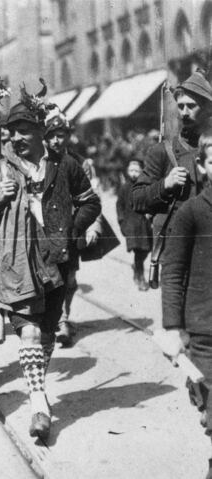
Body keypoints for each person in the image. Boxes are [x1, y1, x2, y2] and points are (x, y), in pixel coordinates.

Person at [0, 82, 101, 441]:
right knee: (27, 331)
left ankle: (37, 389)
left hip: (55, 262)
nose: (16, 138)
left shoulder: (65, 167)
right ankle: (39, 404)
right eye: (11, 132)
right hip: (16, 263)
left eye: (24, 130)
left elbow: (92, 203)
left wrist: (70, 232)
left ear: (42, 132)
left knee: (44, 335)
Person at [161, 130, 212, 479]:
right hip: (205, 331)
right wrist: (173, 329)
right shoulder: (191, 213)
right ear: (205, 166)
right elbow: (173, 273)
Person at [43, 112, 104, 347]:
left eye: (62, 135)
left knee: (69, 278)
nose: (57, 141)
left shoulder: (80, 163)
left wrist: (92, 227)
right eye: (52, 136)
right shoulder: (41, 163)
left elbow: (92, 198)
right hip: (46, 231)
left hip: (71, 230)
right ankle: (51, 319)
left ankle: (64, 319)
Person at [132, 70, 212, 245]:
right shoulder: (162, 151)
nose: (184, 112)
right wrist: (165, 185)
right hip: (177, 250)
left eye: (191, 106)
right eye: (181, 106)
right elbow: (137, 200)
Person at [116, 157, 152, 291]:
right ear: (127, 171)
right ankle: (140, 277)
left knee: (147, 250)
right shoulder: (124, 188)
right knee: (139, 251)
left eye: (137, 171)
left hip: (143, 225)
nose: (133, 173)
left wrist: (150, 213)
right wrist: (121, 221)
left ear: (142, 171)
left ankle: (137, 267)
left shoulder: (145, 186)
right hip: (131, 225)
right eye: (131, 170)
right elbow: (119, 205)